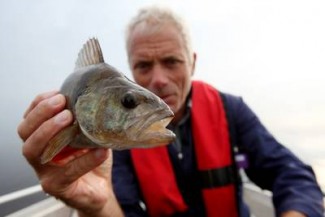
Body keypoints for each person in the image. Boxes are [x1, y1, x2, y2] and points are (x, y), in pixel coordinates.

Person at [17, 6, 324, 217]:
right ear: (130, 71)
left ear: (192, 62)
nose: (159, 80)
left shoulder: (232, 111)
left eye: (171, 62)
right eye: (143, 66)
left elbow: (293, 175)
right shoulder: (116, 142)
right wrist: (96, 206)